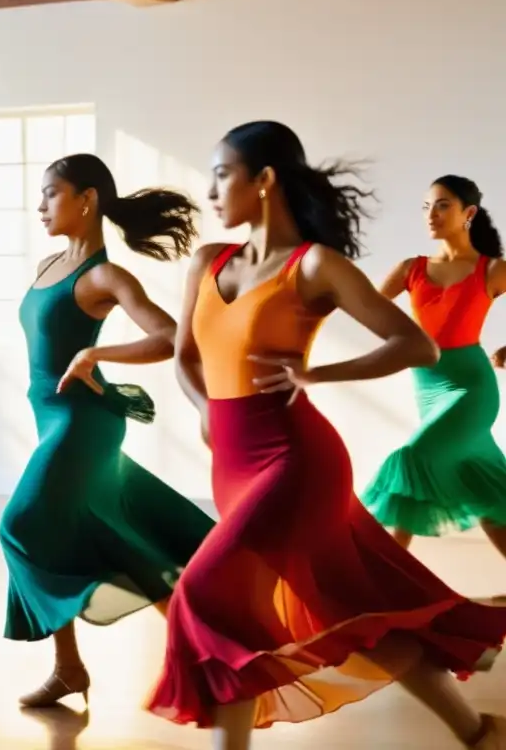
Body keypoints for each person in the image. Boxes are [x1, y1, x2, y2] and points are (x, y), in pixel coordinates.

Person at [145, 122, 506, 749]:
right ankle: (476, 729)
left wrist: (315, 371)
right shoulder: (209, 262)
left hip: (295, 461)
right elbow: (185, 357)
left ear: (264, 181)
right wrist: (205, 408)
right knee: (347, 610)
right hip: (230, 463)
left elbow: (415, 344)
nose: (209, 192)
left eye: (222, 175)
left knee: (204, 596)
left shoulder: (314, 265)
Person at [0, 153, 216, 708]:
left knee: (19, 525)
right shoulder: (49, 264)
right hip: (51, 418)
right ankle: (70, 668)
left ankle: (204, 654)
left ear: (86, 198)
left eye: (51, 193)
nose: (40, 204)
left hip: (82, 423)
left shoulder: (103, 275)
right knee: (98, 535)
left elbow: (169, 337)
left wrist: (95, 352)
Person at [361, 175, 506, 557]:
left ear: (468, 213)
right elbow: (364, 309)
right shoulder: (412, 268)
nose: (431, 214)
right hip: (427, 388)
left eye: (442, 205)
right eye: (427, 206)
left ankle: (388, 572)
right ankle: (391, 574)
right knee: (485, 492)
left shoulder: (491, 269)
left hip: (471, 390)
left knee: (414, 457)